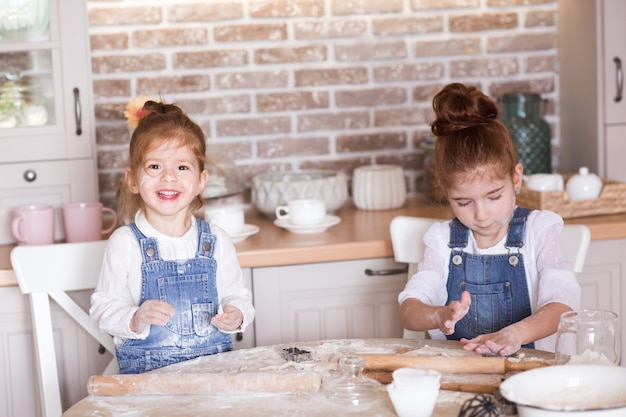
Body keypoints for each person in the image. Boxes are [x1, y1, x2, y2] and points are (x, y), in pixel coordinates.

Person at [398, 83, 580, 355]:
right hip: (461, 374)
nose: (481, 215)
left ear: (516, 178)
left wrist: (516, 333)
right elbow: (409, 310)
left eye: (494, 197)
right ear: (446, 193)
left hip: (530, 375)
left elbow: (563, 306)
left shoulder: (538, 231)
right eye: (463, 202)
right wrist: (437, 316)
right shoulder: (442, 239)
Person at [90, 100, 254, 374]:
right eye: (154, 167)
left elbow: (238, 296)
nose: (168, 177)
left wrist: (236, 315)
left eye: (182, 168)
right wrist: (135, 318)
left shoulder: (216, 240)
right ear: (132, 180)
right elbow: (103, 309)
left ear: (201, 180)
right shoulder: (125, 243)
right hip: (147, 388)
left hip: (213, 381)